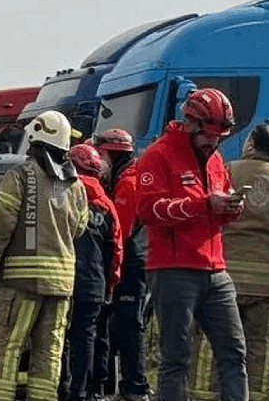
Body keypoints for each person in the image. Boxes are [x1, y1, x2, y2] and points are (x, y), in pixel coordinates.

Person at [188, 123, 269, 401]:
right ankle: (257, 395)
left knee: (208, 341)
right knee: (263, 345)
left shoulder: (222, 173)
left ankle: (201, 394)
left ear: (250, 146)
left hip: (220, 279)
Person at [134, 87, 248, 401]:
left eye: (220, 136)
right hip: (173, 270)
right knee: (176, 358)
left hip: (215, 269)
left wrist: (230, 209)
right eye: (210, 134)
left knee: (235, 353)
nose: (214, 141)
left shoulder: (216, 160)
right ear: (191, 123)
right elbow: (149, 210)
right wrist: (203, 205)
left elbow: (215, 210)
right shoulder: (157, 155)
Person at [0, 110, 89, 401]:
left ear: (35, 139)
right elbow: (78, 228)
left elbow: (1, 222)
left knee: (7, 344)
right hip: (62, 284)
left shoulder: (20, 176)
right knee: (49, 351)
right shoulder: (76, 185)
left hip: (23, 282)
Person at [62, 143, 122, 401]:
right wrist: (111, 284)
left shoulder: (63, 196)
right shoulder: (107, 205)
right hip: (95, 283)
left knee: (59, 337)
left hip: (63, 278)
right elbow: (116, 249)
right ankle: (82, 392)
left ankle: (61, 388)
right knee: (86, 337)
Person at [97, 127, 151, 401]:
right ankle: (122, 385)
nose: (99, 161)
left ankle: (136, 387)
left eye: (103, 154)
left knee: (129, 323)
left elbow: (120, 229)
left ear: (115, 155)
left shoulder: (129, 182)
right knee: (118, 323)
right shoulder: (121, 177)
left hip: (131, 262)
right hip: (126, 260)